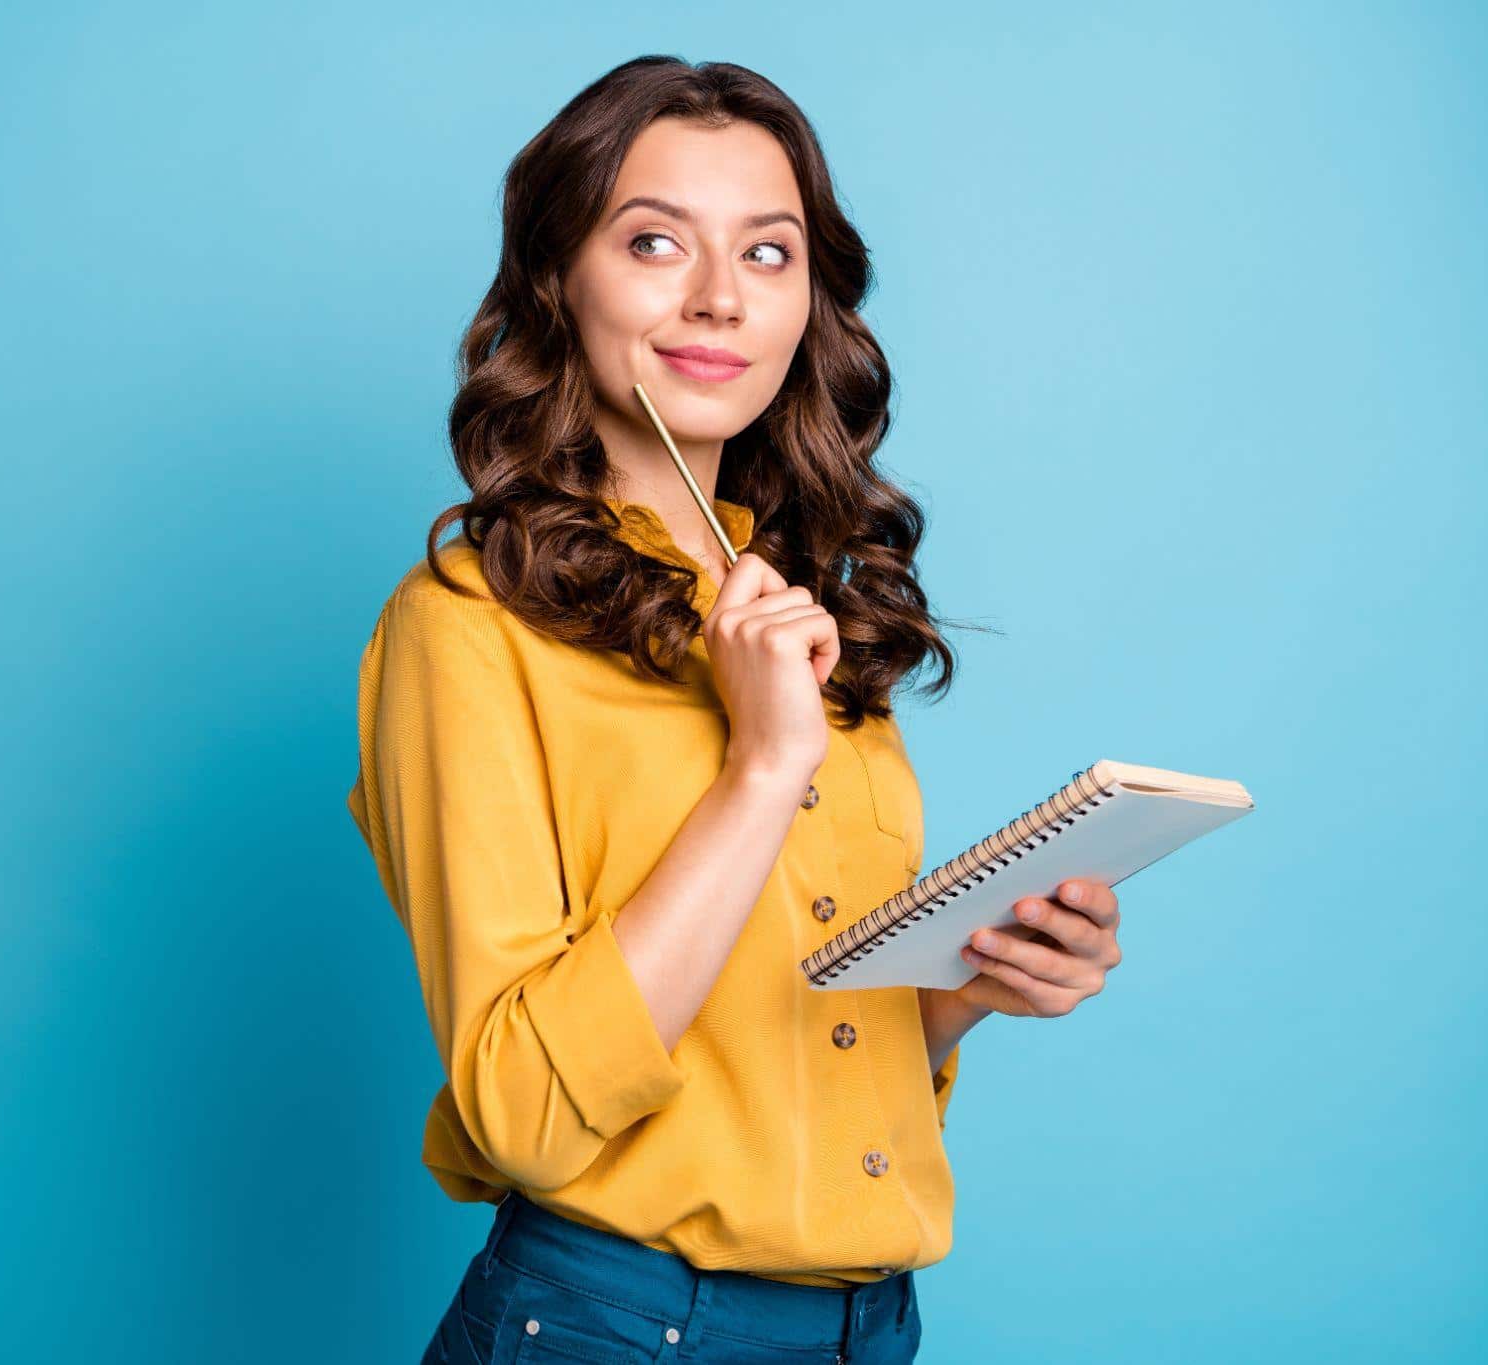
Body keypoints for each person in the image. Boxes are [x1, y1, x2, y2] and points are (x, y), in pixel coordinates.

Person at [345, 56, 1126, 1365]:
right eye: (655, 241)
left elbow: (781, 1039)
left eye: (768, 253)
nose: (718, 296)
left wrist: (973, 982)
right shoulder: (466, 627)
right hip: (618, 1326)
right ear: (559, 279)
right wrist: (761, 771)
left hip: (866, 1325)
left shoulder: (808, 611)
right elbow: (526, 1112)